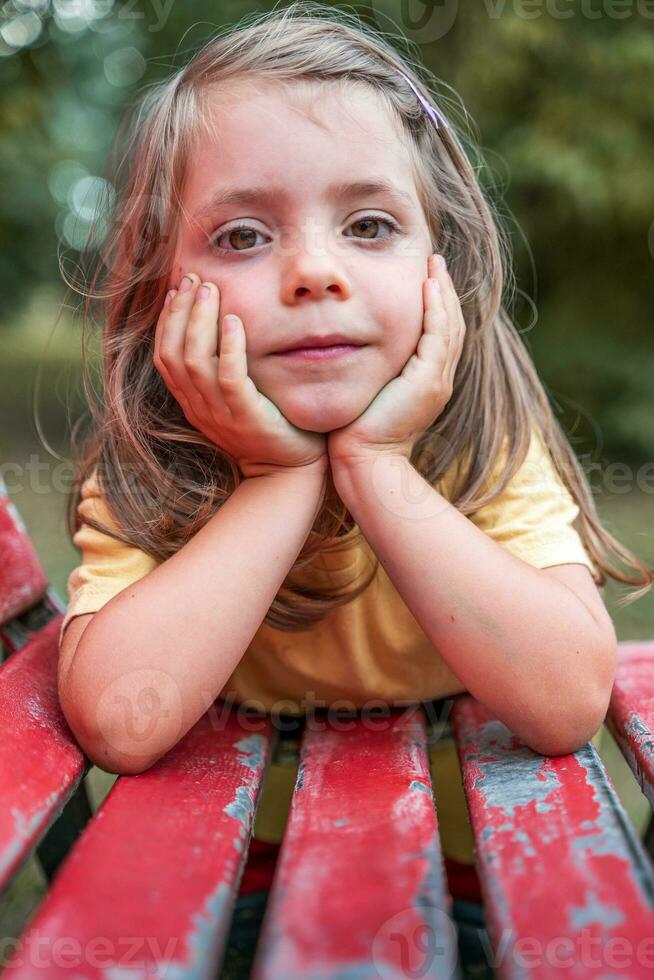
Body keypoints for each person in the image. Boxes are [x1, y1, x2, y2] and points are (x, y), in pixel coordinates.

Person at [55, 2, 652, 976]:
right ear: (163, 285)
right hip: (225, 910)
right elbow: (123, 716)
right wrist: (278, 476)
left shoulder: (484, 444)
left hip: (474, 897)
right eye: (243, 236)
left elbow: (567, 696)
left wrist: (377, 467)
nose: (315, 273)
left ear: (440, 266)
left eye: (368, 223)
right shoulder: (154, 462)